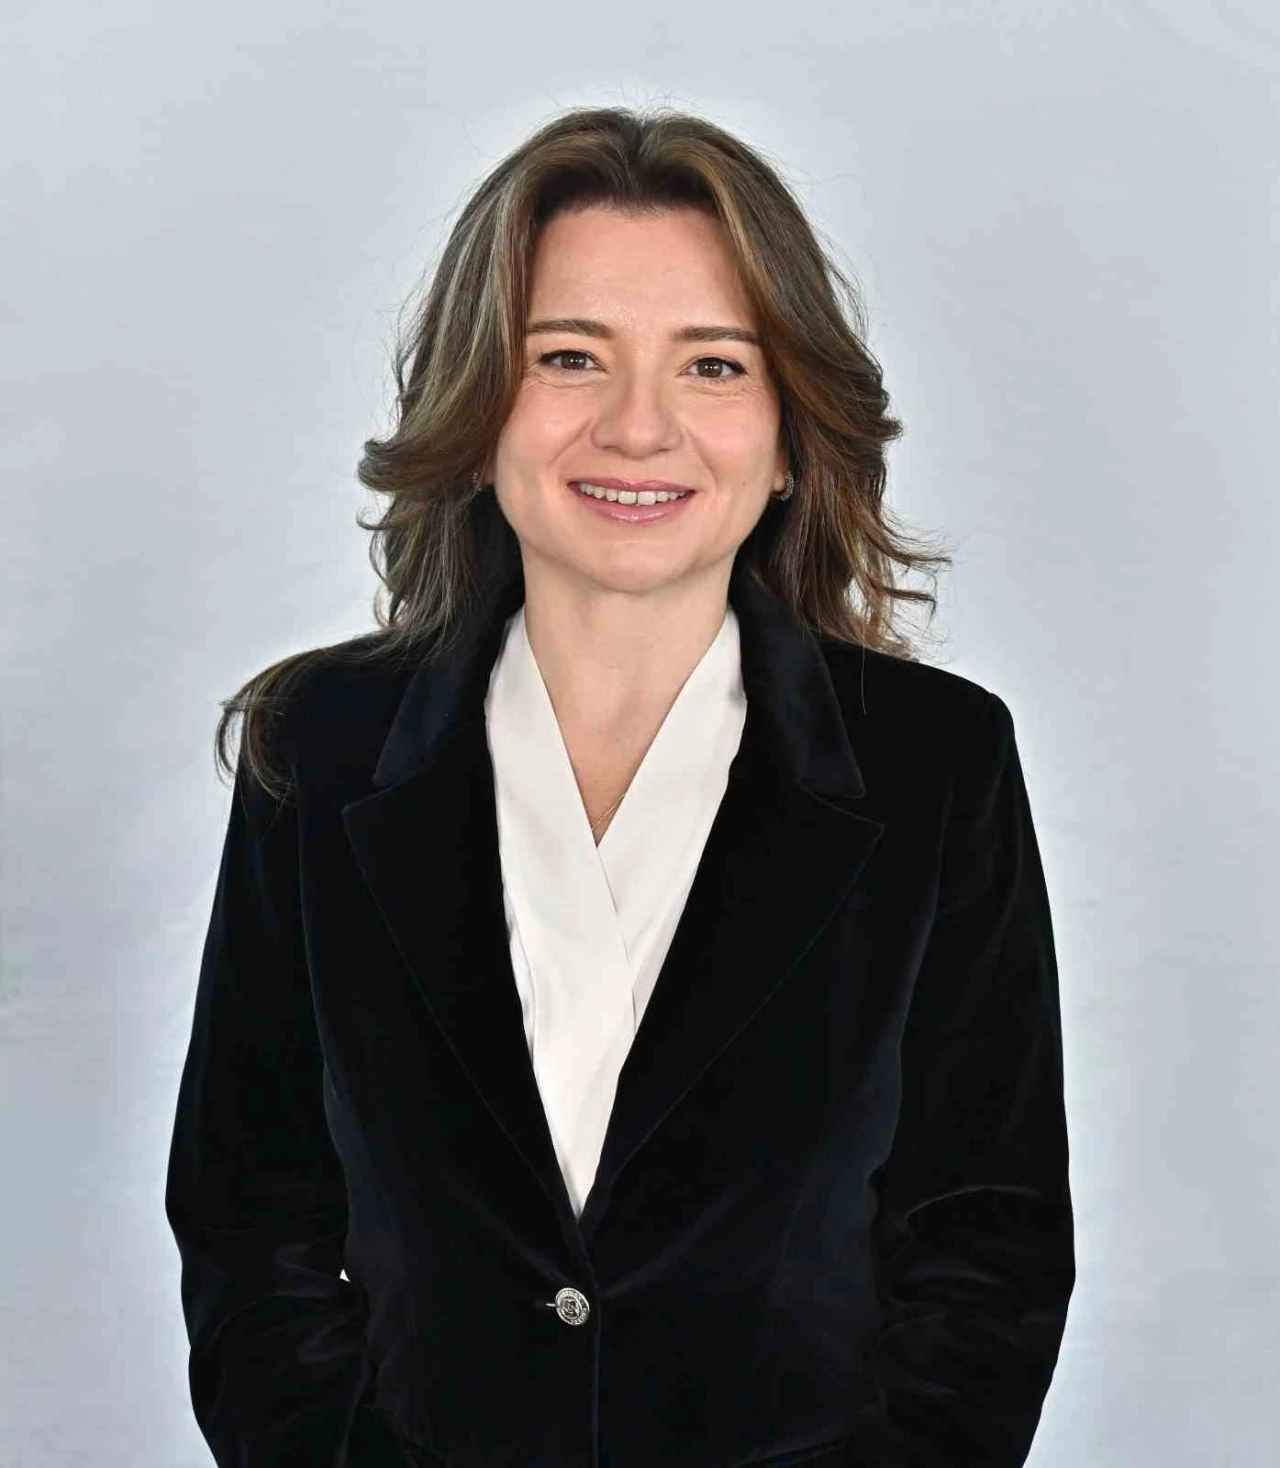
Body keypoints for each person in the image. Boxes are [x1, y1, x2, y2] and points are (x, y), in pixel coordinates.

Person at [165, 105, 1075, 1468]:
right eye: (569, 357)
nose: (640, 427)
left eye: (713, 365)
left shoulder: (936, 764)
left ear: (791, 435)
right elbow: (251, 1219)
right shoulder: (323, 747)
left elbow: (986, 1241)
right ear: (479, 412)